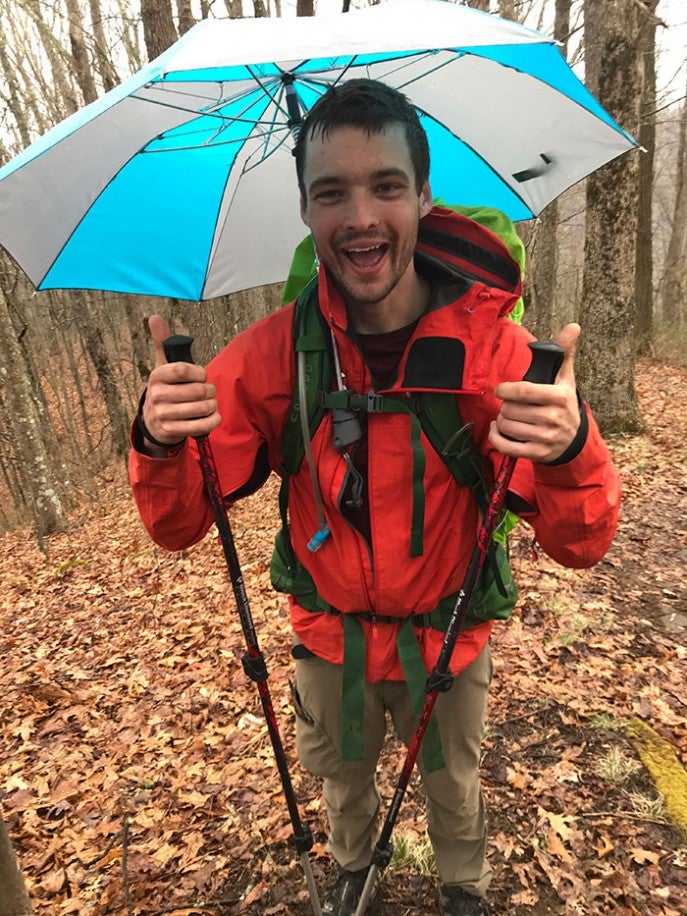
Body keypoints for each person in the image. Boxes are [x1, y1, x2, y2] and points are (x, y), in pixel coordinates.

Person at [129, 79, 620, 916]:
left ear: (422, 196)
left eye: (384, 186)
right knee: (344, 787)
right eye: (331, 193)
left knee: (453, 787)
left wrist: (572, 450)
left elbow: (582, 543)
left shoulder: (499, 357)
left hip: (449, 637)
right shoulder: (270, 358)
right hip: (331, 641)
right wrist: (156, 440)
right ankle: (357, 870)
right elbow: (177, 524)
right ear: (307, 211)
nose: (359, 216)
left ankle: (462, 889)